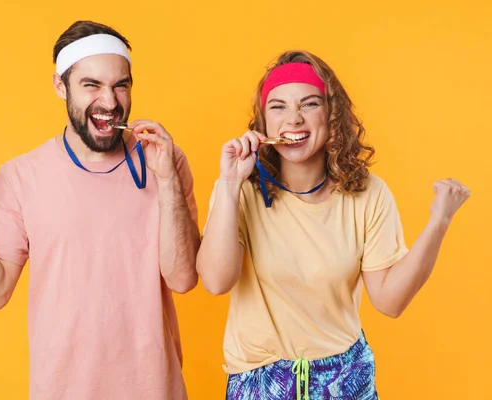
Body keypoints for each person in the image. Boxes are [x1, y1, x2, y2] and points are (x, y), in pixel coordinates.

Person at [0, 20, 199, 400]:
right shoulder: (21, 176)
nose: (110, 102)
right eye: (91, 85)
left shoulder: (166, 161)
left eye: (120, 85)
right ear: (60, 86)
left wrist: (166, 182)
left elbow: (182, 279)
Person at [196, 50, 470, 399]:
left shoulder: (368, 193)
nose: (293, 119)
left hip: (345, 379)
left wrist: (439, 221)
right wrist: (231, 182)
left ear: (332, 115)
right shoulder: (239, 189)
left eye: (309, 104)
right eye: (278, 107)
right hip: (259, 381)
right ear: (263, 122)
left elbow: (390, 301)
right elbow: (217, 281)